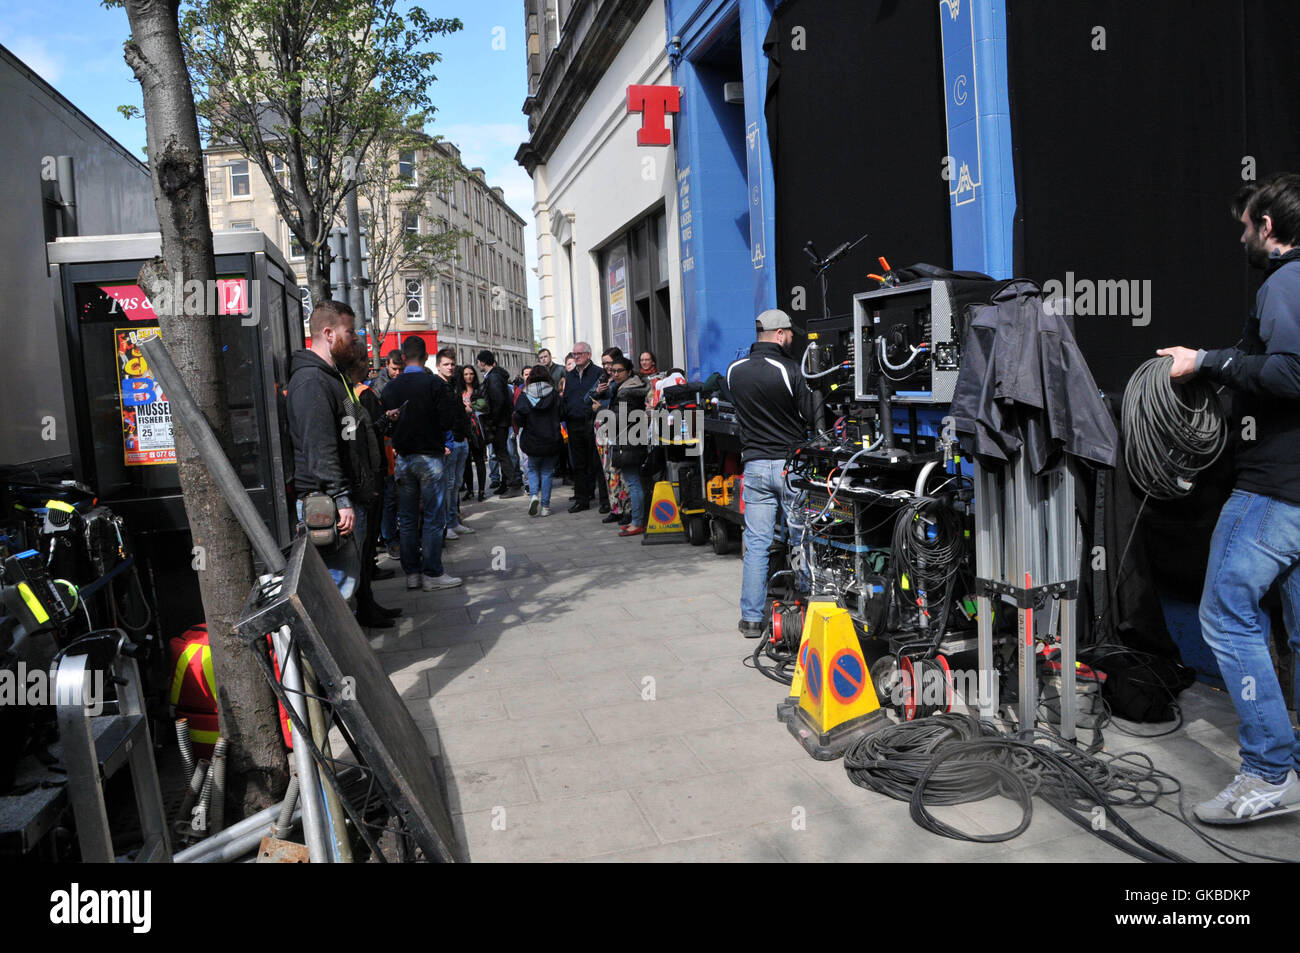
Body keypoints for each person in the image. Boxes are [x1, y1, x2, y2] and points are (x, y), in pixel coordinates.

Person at [1158, 173, 1300, 824]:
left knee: (1225, 615)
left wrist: (1206, 359)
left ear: (1267, 226)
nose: (1243, 234)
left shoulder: (1284, 282)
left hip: (1275, 490)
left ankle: (1271, 770)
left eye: (1247, 224)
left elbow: (1288, 372)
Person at [727, 308, 817, 637]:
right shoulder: (790, 368)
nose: (792, 338)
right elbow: (811, 415)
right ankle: (808, 607)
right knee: (800, 538)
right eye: (790, 334)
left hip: (754, 467)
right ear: (779, 334)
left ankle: (751, 618)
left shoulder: (734, 370)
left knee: (757, 544)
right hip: (789, 466)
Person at [286, 300, 365, 593]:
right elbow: (320, 448)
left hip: (337, 498)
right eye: (350, 331)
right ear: (329, 334)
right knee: (335, 590)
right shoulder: (311, 382)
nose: (355, 337)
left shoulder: (334, 378)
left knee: (345, 585)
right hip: (326, 502)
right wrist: (341, 499)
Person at [381, 337, 462, 591]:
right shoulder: (434, 385)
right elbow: (447, 420)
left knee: (406, 518)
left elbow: (386, 423)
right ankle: (432, 572)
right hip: (430, 457)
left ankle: (412, 573)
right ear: (426, 356)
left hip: (403, 458)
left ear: (403, 358)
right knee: (432, 516)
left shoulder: (391, 388)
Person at [345, 342, 402, 627]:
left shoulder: (354, 395)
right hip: (368, 480)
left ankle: (368, 604)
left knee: (366, 548)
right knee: (363, 548)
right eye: (363, 361)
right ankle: (364, 608)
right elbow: (355, 443)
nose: (368, 365)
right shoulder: (355, 395)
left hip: (370, 476)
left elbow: (364, 434)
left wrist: (381, 422)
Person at [435, 348, 476, 541]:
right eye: (446, 364)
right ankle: (447, 524)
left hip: (461, 441)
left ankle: (453, 522)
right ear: (438, 366)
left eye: (452, 364)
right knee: (448, 485)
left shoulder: (453, 385)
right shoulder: (437, 386)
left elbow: (459, 412)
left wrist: (466, 436)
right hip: (449, 443)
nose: (450, 367)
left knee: (456, 484)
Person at [608, 356, 650, 536]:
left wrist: (602, 413)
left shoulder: (626, 392)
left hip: (629, 440)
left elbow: (621, 418)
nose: (615, 374)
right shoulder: (627, 388)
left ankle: (637, 522)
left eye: (619, 371)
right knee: (634, 481)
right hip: (630, 439)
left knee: (633, 482)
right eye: (613, 371)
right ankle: (637, 520)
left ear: (629, 372)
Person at [515, 363, 563, 517]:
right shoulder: (554, 395)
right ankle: (545, 507)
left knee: (533, 469)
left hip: (532, 440)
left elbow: (518, 418)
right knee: (548, 472)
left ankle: (534, 495)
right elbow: (563, 413)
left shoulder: (524, 395)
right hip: (551, 439)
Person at [561, 341, 603, 512]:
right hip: (574, 423)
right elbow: (566, 399)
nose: (576, 357)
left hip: (592, 422)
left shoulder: (598, 373)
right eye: (574, 354)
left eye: (579, 354)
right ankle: (581, 499)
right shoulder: (569, 376)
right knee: (578, 463)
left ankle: (605, 500)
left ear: (588, 355)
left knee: (596, 462)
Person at [477, 349, 522, 496]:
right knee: (500, 452)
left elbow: (498, 401)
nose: (477, 364)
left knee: (502, 453)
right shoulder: (497, 375)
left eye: (478, 362)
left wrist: (493, 420)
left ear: (483, 362)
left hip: (499, 422)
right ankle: (505, 484)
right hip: (502, 421)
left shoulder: (493, 377)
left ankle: (513, 484)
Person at [590, 347, 624, 519]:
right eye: (604, 363)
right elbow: (586, 398)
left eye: (609, 363)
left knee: (620, 471)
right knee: (608, 470)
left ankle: (624, 509)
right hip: (602, 428)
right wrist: (597, 391)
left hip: (618, 428)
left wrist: (602, 402)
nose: (607, 367)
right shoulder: (602, 378)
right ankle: (615, 507)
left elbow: (622, 408)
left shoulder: (623, 381)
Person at [460, 364, 488, 501]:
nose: (468, 376)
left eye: (471, 374)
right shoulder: (458, 390)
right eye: (465, 374)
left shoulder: (479, 388)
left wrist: (470, 406)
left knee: (479, 460)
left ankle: (481, 490)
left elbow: (484, 405)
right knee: (465, 461)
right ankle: (470, 489)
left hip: (477, 428)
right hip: (463, 428)